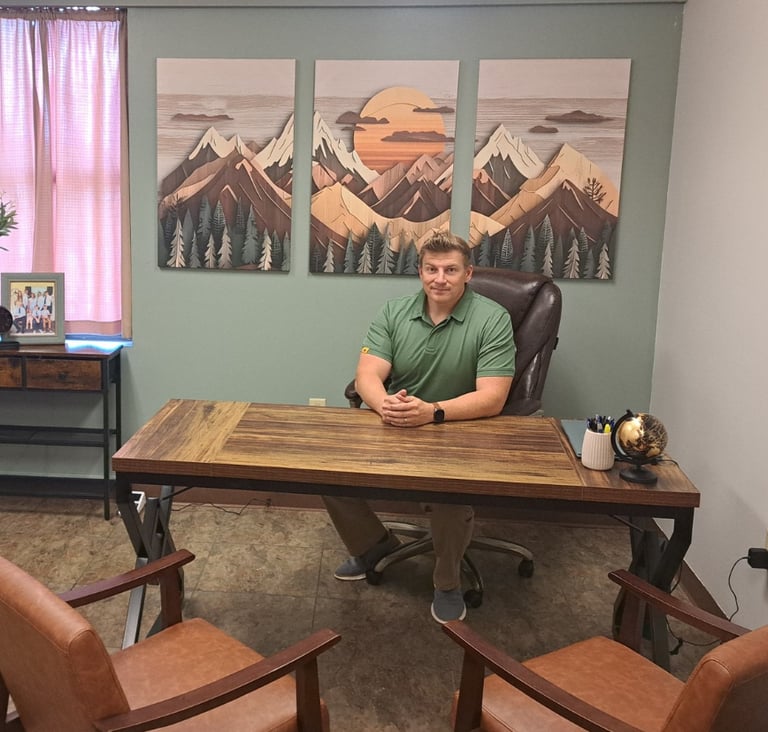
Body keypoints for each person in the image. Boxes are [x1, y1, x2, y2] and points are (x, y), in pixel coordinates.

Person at [323, 231, 516, 623]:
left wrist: (433, 412)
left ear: (468, 274)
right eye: (431, 269)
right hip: (397, 421)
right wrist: (385, 406)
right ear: (420, 271)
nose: (439, 278)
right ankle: (374, 547)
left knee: (449, 494)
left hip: (459, 427)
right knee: (328, 471)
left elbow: (494, 397)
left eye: (450, 270)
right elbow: (366, 376)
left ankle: (446, 581)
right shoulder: (393, 312)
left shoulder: (493, 319)